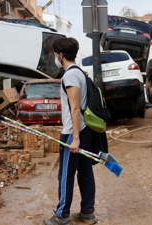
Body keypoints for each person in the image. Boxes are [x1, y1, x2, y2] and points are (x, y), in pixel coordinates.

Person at [43, 37, 98, 225]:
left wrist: (74, 139)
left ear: (61, 55)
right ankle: (87, 213)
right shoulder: (79, 72)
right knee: (84, 172)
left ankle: (62, 216)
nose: (56, 57)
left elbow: (75, 108)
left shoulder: (70, 75)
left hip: (74, 132)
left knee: (66, 174)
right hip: (83, 130)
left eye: (56, 54)